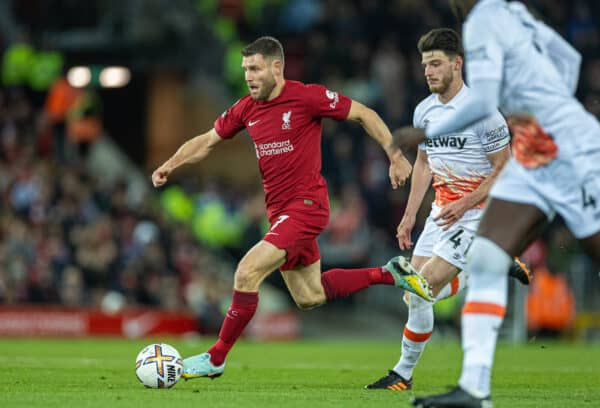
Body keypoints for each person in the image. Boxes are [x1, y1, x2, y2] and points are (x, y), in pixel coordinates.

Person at [151, 36, 432, 380]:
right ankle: (390, 273)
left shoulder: (306, 96)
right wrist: (171, 163)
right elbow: (207, 141)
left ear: (276, 67)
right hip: (279, 213)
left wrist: (393, 154)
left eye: (255, 69)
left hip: (306, 207)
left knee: (246, 272)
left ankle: (216, 357)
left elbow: (364, 113)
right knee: (309, 295)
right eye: (245, 70)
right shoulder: (246, 108)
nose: (249, 76)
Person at [393, 2, 600, 407]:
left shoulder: (484, 20)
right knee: (487, 260)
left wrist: (422, 133)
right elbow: (569, 58)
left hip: (571, 149)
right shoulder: (517, 12)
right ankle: (474, 390)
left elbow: (484, 98)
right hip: (537, 146)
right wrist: (553, 104)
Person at [364, 28, 531, 392]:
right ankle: (492, 263)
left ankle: (401, 373)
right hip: (442, 213)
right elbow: (424, 164)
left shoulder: (483, 113)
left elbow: (505, 168)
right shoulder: (424, 110)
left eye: (436, 63)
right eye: (425, 64)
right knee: (414, 296)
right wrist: (409, 216)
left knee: (422, 285)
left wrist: (466, 202)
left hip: (478, 213)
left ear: (458, 64)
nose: (428, 71)